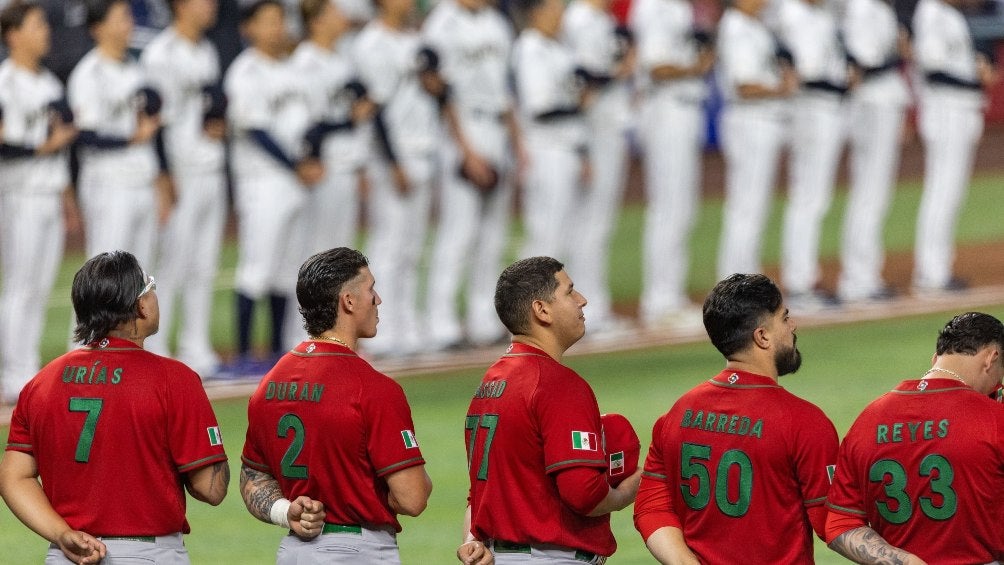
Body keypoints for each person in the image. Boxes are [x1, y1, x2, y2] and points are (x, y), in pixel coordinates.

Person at [0, 250, 229, 564]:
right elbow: (211, 489)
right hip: (148, 555)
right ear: (140, 305)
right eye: (150, 287)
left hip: (68, 555)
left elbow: (14, 477)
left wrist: (61, 534)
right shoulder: (174, 379)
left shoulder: (41, 383)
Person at [241, 247, 433, 563]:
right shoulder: (373, 388)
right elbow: (413, 498)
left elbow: (253, 476)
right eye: (371, 289)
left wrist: (287, 511)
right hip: (359, 552)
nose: (378, 299)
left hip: (294, 552)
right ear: (348, 301)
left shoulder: (268, 385)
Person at [634, 273, 839, 563]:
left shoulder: (676, 416)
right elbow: (836, 523)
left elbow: (651, 507)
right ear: (762, 336)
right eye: (784, 317)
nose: (792, 326)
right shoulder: (803, 421)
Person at [462, 256, 641, 563]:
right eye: (570, 292)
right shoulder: (556, 383)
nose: (582, 300)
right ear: (542, 310)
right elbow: (583, 494)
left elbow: (480, 494)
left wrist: (470, 539)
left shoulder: (489, 384)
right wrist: (635, 485)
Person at [825, 312, 1004, 564]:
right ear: (991, 358)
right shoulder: (995, 419)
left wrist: (904, 561)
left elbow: (840, 524)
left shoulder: (867, 420)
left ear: (935, 359)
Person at [224, 0, 322, 374]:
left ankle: (280, 347)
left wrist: (310, 158)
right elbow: (256, 131)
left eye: (279, 20)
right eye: (267, 21)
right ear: (248, 27)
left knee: (286, 269)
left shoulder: (292, 69)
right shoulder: (245, 71)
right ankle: (244, 353)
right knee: (257, 268)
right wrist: (298, 165)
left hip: (293, 180)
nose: (276, 28)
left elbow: (309, 125)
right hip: (262, 180)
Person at [422, 0, 522, 351]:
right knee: (458, 232)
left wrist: (517, 142)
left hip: (497, 129)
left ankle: (483, 319)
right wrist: (465, 149)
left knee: (493, 235)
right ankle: (441, 322)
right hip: (462, 129)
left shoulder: (497, 22)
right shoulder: (441, 23)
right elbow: (440, 90)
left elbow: (506, 88)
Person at [140, 0, 227, 377]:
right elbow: (155, 120)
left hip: (211, 167)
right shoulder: (161, 54)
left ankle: (196, 347)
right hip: (180, 171)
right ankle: (158, 350)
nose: (211, 5)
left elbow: (210, 109)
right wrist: (163, 175)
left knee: (204, 265)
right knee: (171, 264)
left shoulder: (206, 49)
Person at [0, 0, 79, 405]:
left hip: (48, 192)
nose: (45, 31)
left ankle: (25, 368)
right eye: (36, 25)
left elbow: (62, 150)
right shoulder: (5, 81)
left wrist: (68, 199)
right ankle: (13, 373)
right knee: (20, 284)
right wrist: (45, 146)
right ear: (12, 34)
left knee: (40, 284)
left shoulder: (49, 82)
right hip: (19, 193)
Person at [283, 0, 373, 348]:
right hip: (323, 170)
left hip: (346, 165)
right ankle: (301, 332)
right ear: (316, 20)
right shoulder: (305, 62)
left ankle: (335, 332)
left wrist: (361, 163)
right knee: (315, 255)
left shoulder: (340, 58)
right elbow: (310, 123)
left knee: (340, 256)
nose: (342, 17)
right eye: (334, 12)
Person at [353, 0, 441, 357]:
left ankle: (408, 324)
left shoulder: (415, 40)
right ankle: (381, 330)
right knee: (388, 246)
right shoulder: (371, 44)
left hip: (422, 148)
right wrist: (393, 163)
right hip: (391, 157)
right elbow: (375, 110)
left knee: (412, 246)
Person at [628, 0, 713, 328]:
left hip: (683, 109)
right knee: (668, 208)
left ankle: (670, 297)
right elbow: (656, 66)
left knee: (682, 209)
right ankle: (659, 301)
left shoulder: (676, 8)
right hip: (665, 110)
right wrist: (697, 67)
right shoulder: (655, 7)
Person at [68, 0, 170, 269]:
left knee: (140, 278)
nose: (129, 23)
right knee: (104, 278)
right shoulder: (88, 73)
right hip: (108, 184)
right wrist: (131, 138)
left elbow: (150, 132)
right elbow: (84, 136)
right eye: (121, 17)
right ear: (98, 27)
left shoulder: (136, 70)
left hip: (142, 178)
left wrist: (159, 176)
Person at [911, 0, 997, 295]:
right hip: (945, 110)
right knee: (941, 191)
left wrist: (980, 70)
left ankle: (937, 269)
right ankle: (930, 273)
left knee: (951, 192)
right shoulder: (931, 12)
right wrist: (975, 80)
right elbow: (934, 70)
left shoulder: (950, 15)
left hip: (959, 110)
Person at [560, 0, 633, 333]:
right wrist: (621, 69)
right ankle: (590, 310)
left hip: (605, 126)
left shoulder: (599, 20)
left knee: (597, 222)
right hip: (592, 128)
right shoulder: (579, 19)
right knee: (590, 222)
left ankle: (591, 306)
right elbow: (583, 80)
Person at [715, 0, 797, 280]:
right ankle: (734, 284)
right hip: (749, 120)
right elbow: (745, 84)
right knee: (746, 208)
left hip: (759, 120)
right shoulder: (736, 27)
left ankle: (743, 281)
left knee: (753, 208)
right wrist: (781, 87)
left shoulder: (753, 25)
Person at [775, 0, 847, 310]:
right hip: (810, 107)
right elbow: (808, 69)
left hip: (824, 106)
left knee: (814, 197)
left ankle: (804, 277)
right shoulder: (795, 14)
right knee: (807, 197)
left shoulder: (816, 14)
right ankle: (799, 283)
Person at [836, 0, 910, 304]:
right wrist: (899, 55)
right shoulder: (861, 8)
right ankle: (857, 279)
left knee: (875, 194)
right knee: (868, 194)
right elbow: (863, 64)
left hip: (884, 102)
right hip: (871, 104)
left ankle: (865, 275)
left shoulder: (880, 9)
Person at [513, 0, 590, 263]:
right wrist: (579, 105)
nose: (560, 18)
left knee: (564, 235)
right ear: (537, 13)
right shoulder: (531, 47)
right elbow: (541, 108)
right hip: (545, 151)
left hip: (566, 148)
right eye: (555, 11)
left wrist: (583, 154)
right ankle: (520, 303)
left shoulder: (558, 47)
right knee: (545, 236)